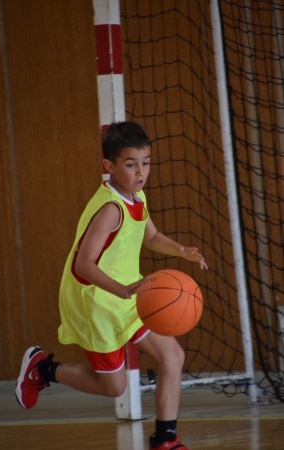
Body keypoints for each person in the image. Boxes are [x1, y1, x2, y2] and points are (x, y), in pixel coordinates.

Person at [15, 121, 208, 450]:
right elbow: (83, 264)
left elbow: (152, 237)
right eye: (131, 164)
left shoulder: (136, 195)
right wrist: (121, 291)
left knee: (172, 356)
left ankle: (166, 441)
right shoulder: (109, 209)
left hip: (129, 294)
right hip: (99, 303)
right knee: (113, 387)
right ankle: (42, 369)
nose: (140, 171)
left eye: (145, 162)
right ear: (110, 166)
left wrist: (181, 251)